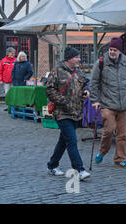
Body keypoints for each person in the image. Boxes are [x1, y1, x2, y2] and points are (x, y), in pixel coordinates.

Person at [91, 37, 126, 168]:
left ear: (120, 51)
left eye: (115, 50)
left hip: (124, 105)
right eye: (110, 49)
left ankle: (120, 159)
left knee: (122, 135)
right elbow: (94, 83)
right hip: (107, 104)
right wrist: (95, 100)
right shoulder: (101, 62)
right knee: (109, 130)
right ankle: (102, 152)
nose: (112, 52)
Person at [46, 47, 90, 180]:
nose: (79, 59)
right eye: (76, 57)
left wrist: (86, 92)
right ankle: (80, 170)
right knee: (71, 141)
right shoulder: (57, 71)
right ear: (69, 58)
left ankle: (52, 165)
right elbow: (49, 89)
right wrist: (63, 101)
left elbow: (84, 86)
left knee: (63, 141)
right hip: (62, 113)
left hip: (75, 112)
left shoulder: (78, 71)